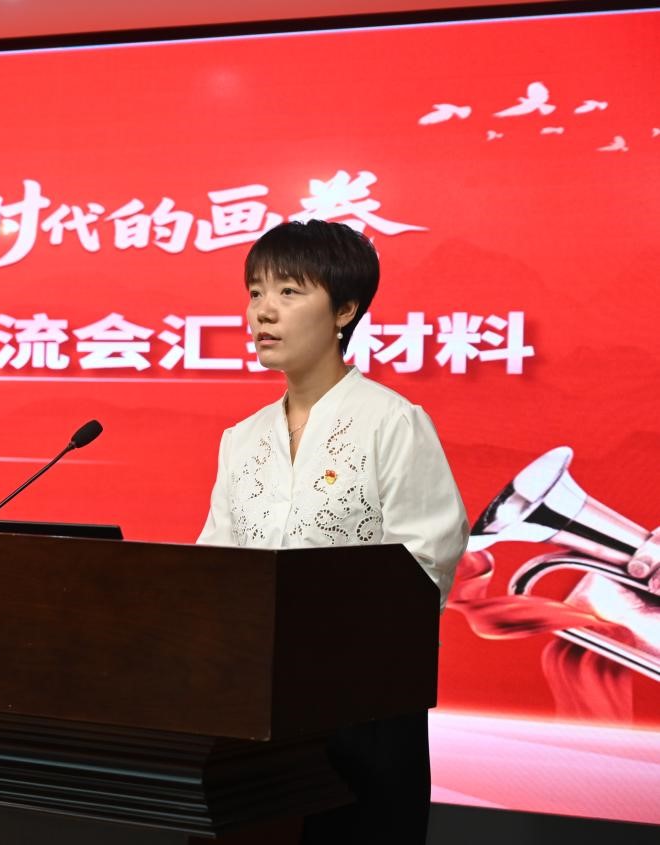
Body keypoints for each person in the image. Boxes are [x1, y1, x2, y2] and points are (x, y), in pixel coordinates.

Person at [196, 219, 469, 844]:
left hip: (363, 718)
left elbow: (424, 565)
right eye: (256, 292)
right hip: (257, 716)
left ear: (345, 310)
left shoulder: (392, 422)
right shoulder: (241, 439)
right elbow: (216, 571)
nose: (263, 311)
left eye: (289, 292)